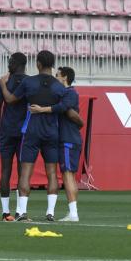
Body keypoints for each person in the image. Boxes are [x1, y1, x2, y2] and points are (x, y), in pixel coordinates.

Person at [0, 50, 79, 222]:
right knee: (51, 173)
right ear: (51, 64)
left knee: (25, 172)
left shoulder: (29, 82)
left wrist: (3, 84)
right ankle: (50, 213)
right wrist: (79, 122)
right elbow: (69, 110)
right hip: (51, 132)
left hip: (31, 130)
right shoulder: (59, 87)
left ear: (38, 64)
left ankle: (22, 212)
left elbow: (11, 100)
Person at [29, 67, 84, 222]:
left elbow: (61, 108)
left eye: (57, 75)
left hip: (68, 139)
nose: (55, 78)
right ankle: (73, 211)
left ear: (64, 77)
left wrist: (41, 109)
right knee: (70, 176)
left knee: (67, 175)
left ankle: (73, 213)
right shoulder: (69, 93)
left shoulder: (70, 93)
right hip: (70, 139)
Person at [0, 53, 28, 221]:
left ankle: (6, 212)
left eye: (11, 61)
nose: (9, 63)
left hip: (7, 131)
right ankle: (20, 211)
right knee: (23, 172)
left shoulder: (4, 82)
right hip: (23, 132)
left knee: (6, 170)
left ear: (19, 63)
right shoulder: (30, 82)